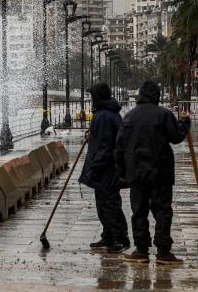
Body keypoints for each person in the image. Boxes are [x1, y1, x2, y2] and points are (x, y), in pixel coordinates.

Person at [115, 80, 190, 265]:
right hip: (160, 172)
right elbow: (176, 136)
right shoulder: (163, 115)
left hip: (137, 173)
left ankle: (141, 250)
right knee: (162, 211)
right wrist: (184, 123)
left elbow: (119, 148)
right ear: (157, 95)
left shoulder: (129, 117)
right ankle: (163, 251)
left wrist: (122, 173)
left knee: (138, 211)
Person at [79, 82, 130, 253]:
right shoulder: (106, 114)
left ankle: (120, 239)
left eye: (92, 95)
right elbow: (102, 137)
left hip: (106, 169)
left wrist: (94, 167)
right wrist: (91, 133)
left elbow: (106, 146)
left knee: (110, 205)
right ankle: (108, 236)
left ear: (97, 97)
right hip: (105, 168)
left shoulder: (104, 116)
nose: (90, 99)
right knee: (103, 205)